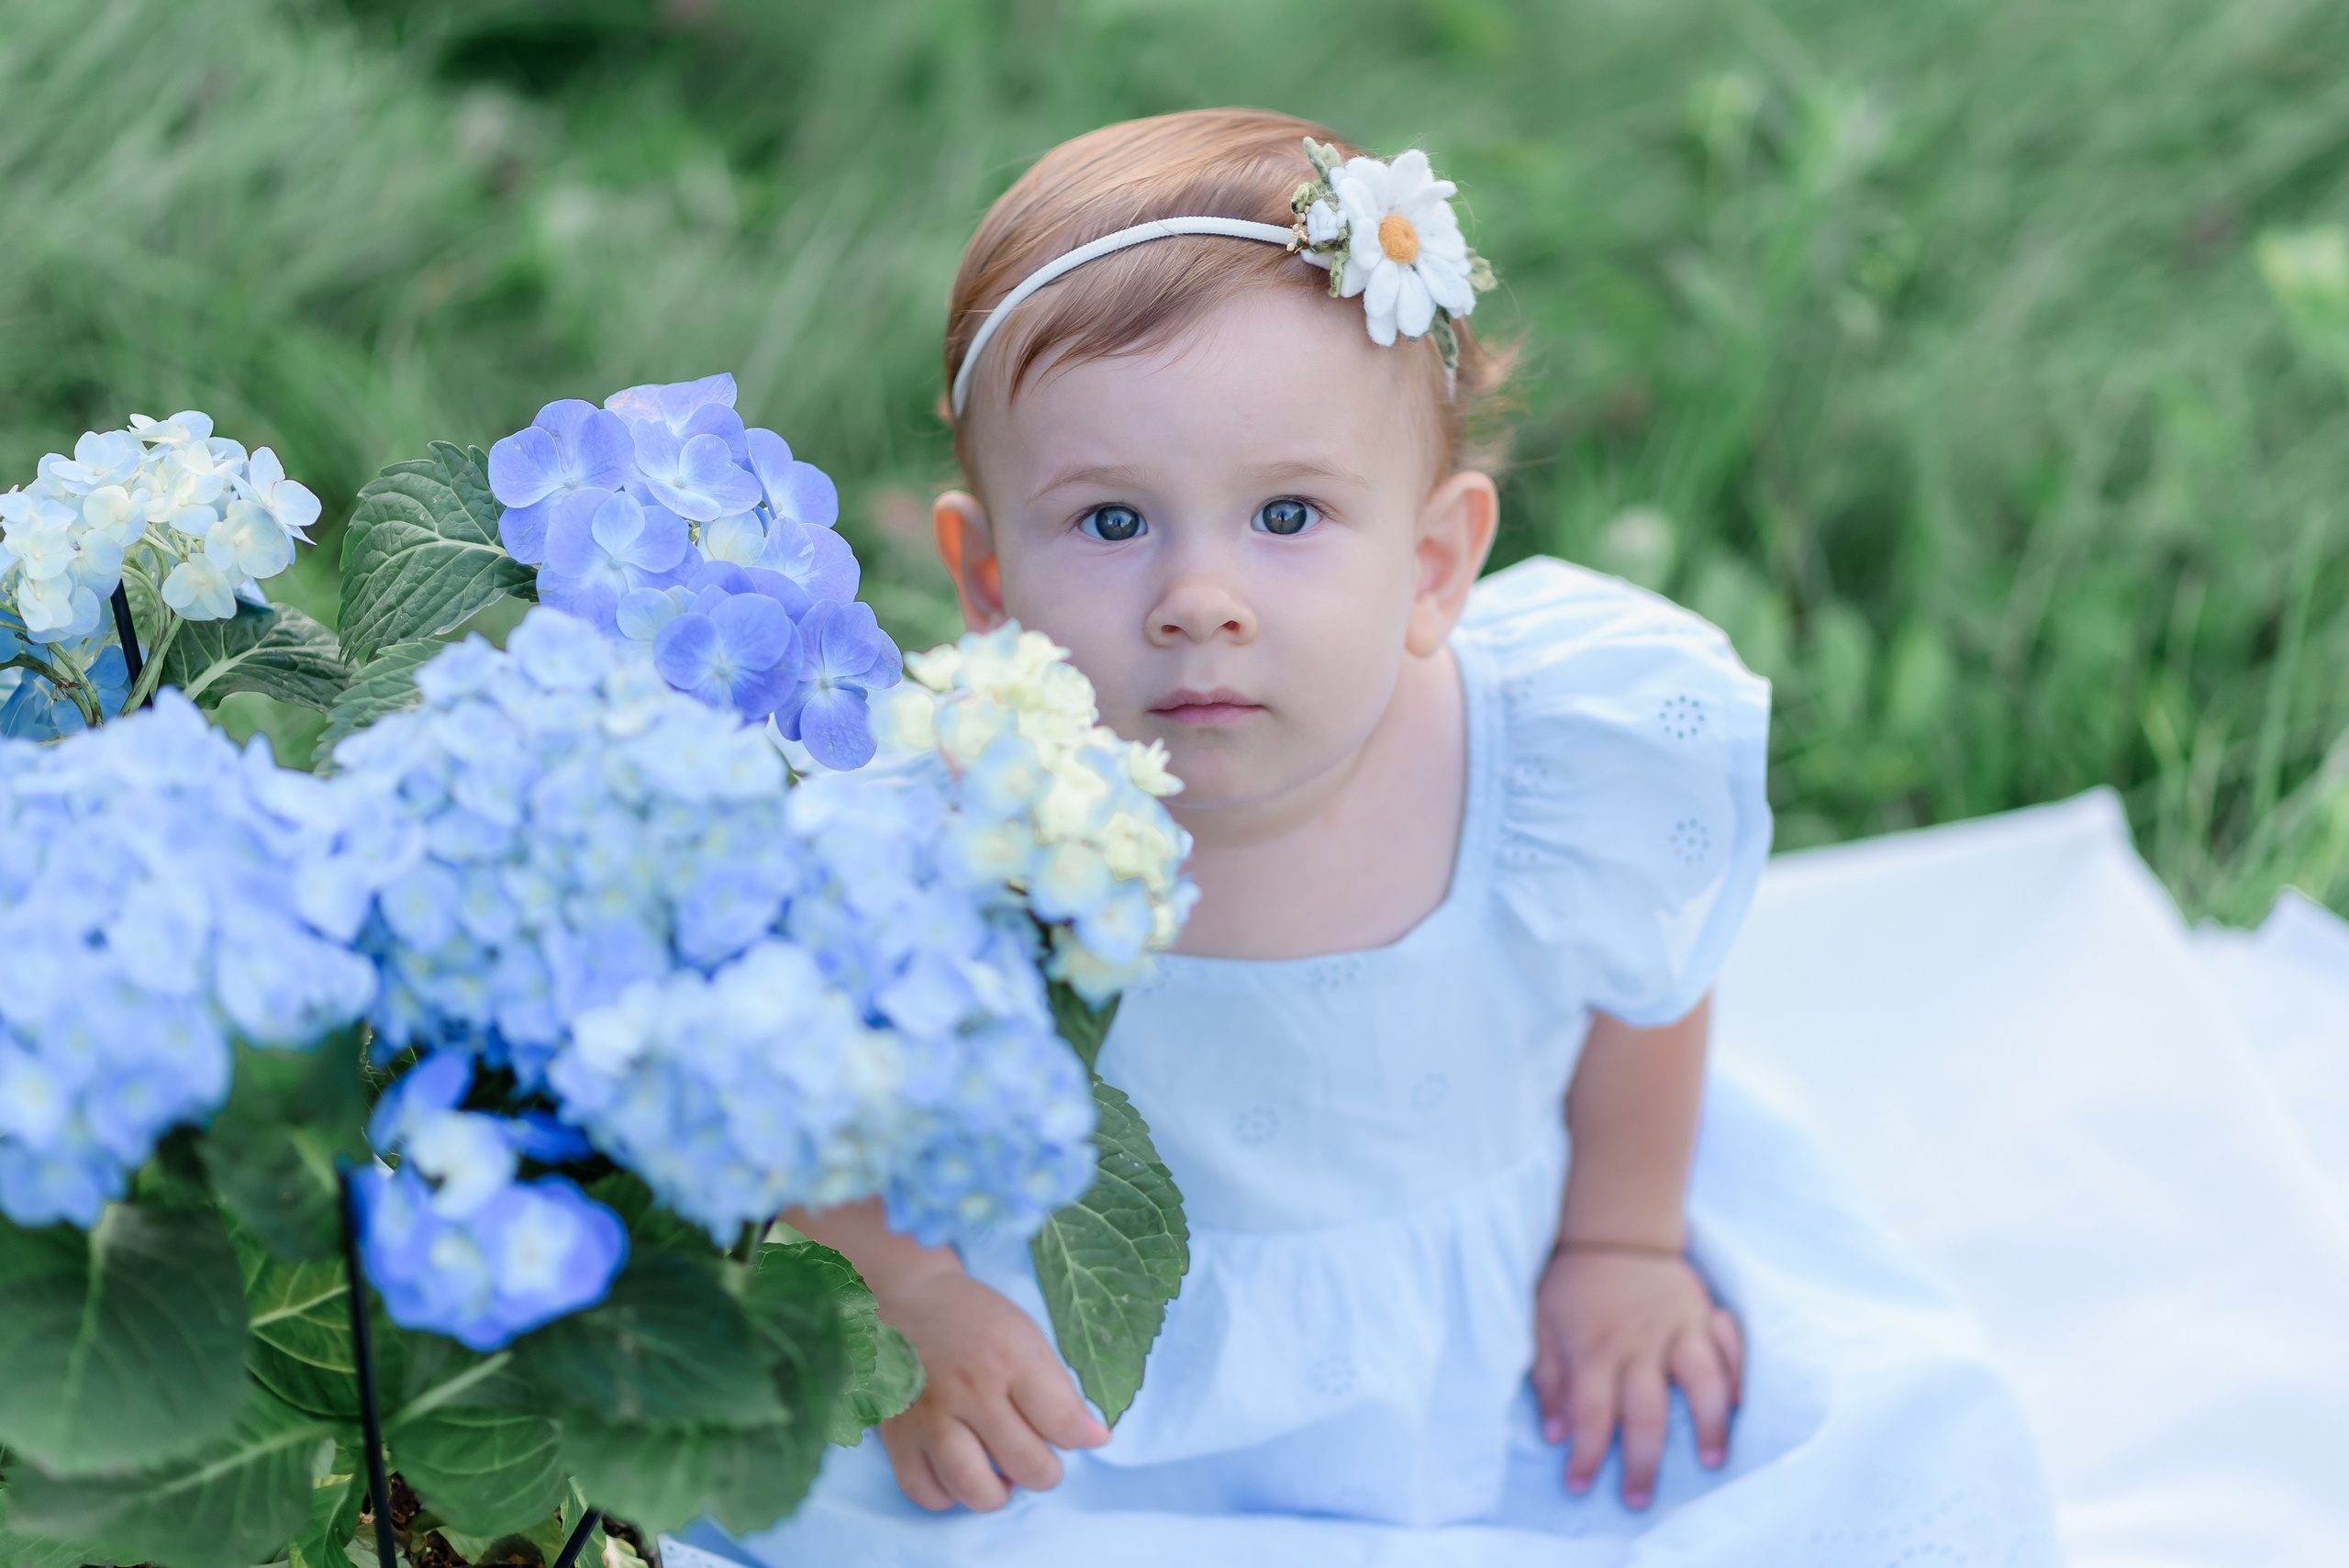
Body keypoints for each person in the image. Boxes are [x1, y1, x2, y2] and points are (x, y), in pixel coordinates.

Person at [691, 107, 2060, 1565]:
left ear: (1434, 560)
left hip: (1488, 1314)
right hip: (1087, 1360)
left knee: (1854, 1464)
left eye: (1288, 512)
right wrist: (902, 1286)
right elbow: (822, 1071)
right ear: (983, 572)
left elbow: (1641, 992)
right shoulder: (954, 808)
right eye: (1108, 523)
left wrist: (1622, 1242)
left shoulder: (1547, 760)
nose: (1198, 595)